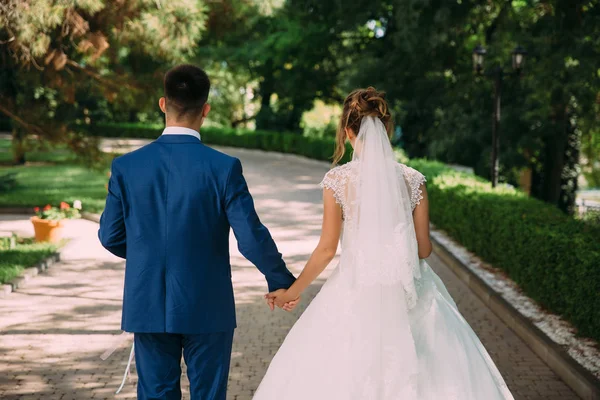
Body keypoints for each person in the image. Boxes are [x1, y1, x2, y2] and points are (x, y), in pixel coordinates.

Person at [256, 87, 515, 400]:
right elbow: (424, 250)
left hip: (355, 289)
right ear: (386, 129)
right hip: (410, 291)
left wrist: (291, 292)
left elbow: (327, 250)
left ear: (347, 131)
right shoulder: (413, 180)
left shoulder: (338, 181)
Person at [98, 64, 297, 400]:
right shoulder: (224, 167)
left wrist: (152, 254)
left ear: (163, 104)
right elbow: (250, 237)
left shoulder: (126, 166)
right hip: (208, 301)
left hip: (146, 301)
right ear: (206, 109)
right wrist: (281, 280)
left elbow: (110, 235)